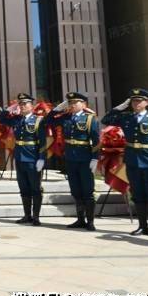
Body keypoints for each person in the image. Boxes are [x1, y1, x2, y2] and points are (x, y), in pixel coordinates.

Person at [102, 88, 148, 238]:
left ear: (147, 102)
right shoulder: (126, 117)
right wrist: (120, 107)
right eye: (133, 101)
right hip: (132, 162)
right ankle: (142, 226)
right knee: (137, 195)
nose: (136, 103)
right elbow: (106, 120)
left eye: (139, 100)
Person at [45, 92, 100, 231]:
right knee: (75, 189)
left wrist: (95, 158)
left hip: (85, 158)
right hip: (70, 158)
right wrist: (57, 108)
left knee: (88, 190)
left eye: (75, 102)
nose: (72, 105)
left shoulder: (90, 118)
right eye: (70, 103)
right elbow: (48, 121)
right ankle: (80, 219)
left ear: (83, 104)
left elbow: (96, 140)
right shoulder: (65, 117)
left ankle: (90, 221)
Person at [0, 93, 47, 225]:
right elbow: (0, 119)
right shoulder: (17, 119)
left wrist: (42, 159)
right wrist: (10, 108)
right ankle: (27, 216)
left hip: (33, 158)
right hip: (19, 157)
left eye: (25, 104)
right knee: (23, 188)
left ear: (31, 106)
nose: (22, 106)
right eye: (20, 104)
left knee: (35, 188)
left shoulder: (38, 120)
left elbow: (42, 142)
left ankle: (36, 217)